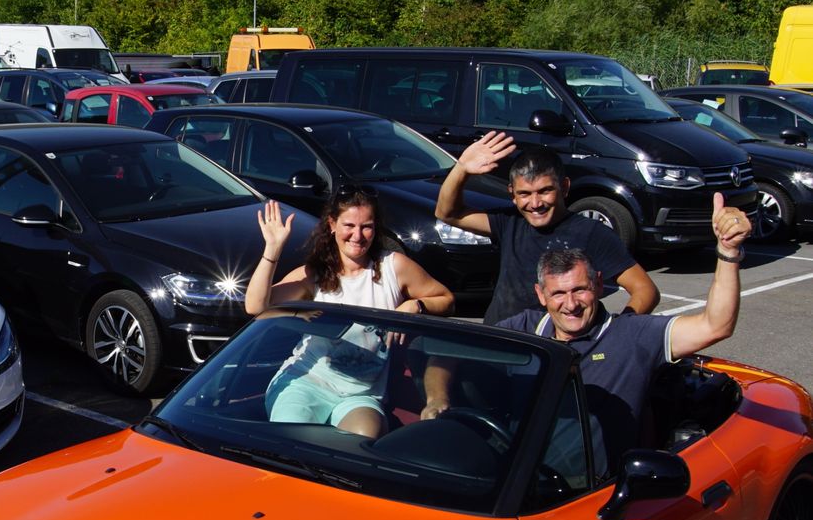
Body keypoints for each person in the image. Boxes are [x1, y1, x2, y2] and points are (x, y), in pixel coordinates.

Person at [494, 192, 750, 466]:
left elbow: (715, 325)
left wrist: (728, 253)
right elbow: (460, 353)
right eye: (558, 293)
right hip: (517, 477)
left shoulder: (632, 335)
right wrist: (441, 392)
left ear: (599, 285)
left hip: (589, 492)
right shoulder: (523, 328)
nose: (571, 304)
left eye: (580, 290)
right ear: (541, 295)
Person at [246, 186, 454, 437]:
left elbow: (446, 299)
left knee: (362, 440)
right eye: (349, 226)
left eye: (366, 226)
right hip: (307, 382)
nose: (358, 235)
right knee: (292, 442)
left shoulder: (393, 266)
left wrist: (416, 305)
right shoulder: (316, 273)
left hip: (362, 393)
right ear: (332, 224)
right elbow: (256, 307)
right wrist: (272, 249)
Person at [436, 132, 659, 324]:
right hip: (503, 339)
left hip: (553, 351)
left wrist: (618, 330)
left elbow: (645, 290)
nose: (535, 203)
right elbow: (447, 213)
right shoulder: (510, 222)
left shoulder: (591, 232)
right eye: (524, 194)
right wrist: (461, 169)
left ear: (564, 187)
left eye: (544, 191)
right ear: (512, 194)